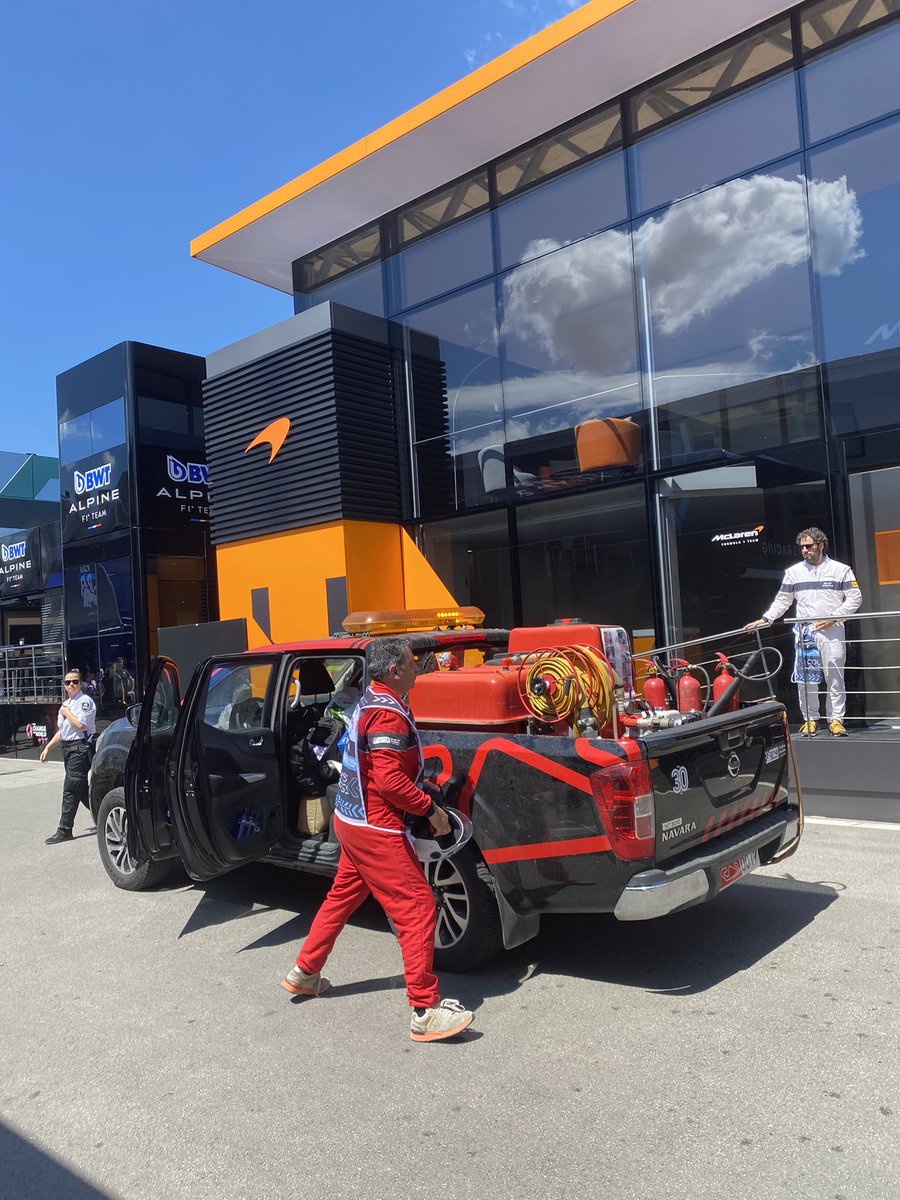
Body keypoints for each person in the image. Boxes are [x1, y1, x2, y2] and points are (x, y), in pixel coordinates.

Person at [281, 636, 475, 1043]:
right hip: (376, 827)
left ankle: (305, 971)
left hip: (352, 821)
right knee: (419, 905)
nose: (417, 665)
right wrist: (432, 811)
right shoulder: (387, 713)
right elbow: (389, 781)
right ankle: (424, 1010)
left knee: (342, 897)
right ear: (394, 671)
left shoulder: (372, 699)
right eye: (411, 661)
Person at [745, 527, 862, 737]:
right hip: (805, 632)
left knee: (834, 676)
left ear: (821, 545)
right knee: (805, 678)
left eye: (809, 546)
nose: (805, 550)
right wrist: (765, 619)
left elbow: (855, 597)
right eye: (802, 547)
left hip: (832, 630)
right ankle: (810, 719)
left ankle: (836, 720)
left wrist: (834, 617)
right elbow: (783, 601)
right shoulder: (793, 572)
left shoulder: (841, 569)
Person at [40, 668, 97, 843]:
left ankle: (64, 830)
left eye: (75, 682)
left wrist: (66, 713)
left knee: (70, 789)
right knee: (80, 790)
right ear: (64, 685)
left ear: (81, 684)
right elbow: (62, 732)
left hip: (80, 748)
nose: (71, 685)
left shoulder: (84, 702)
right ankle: (104, 811)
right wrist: (48, 748)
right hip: (68, 748)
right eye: (67, 682)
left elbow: (80, 725)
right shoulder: (66, 704)